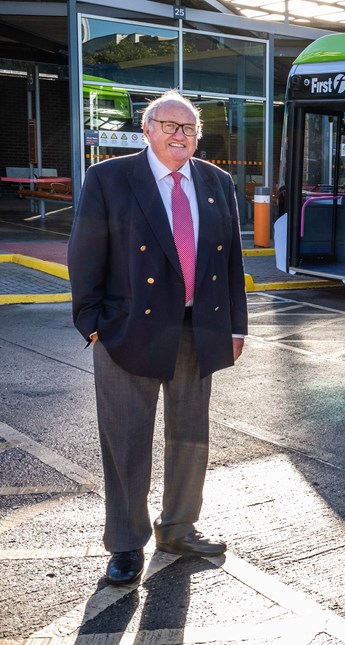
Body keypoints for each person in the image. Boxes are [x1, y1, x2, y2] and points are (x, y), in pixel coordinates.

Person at [68, 91, 248, 586]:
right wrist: (93, 323)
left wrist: (236, 326)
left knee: (190, 438)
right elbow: (84, 252)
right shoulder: (110, 178)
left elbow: (231, 259)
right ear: (147, 130)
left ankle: (179, 528)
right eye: (169, 125)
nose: (179, 135)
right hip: (129, 331)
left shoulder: (217, 181)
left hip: (199, 328)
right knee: (126, 442)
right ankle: (126, 543)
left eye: (189, 128)